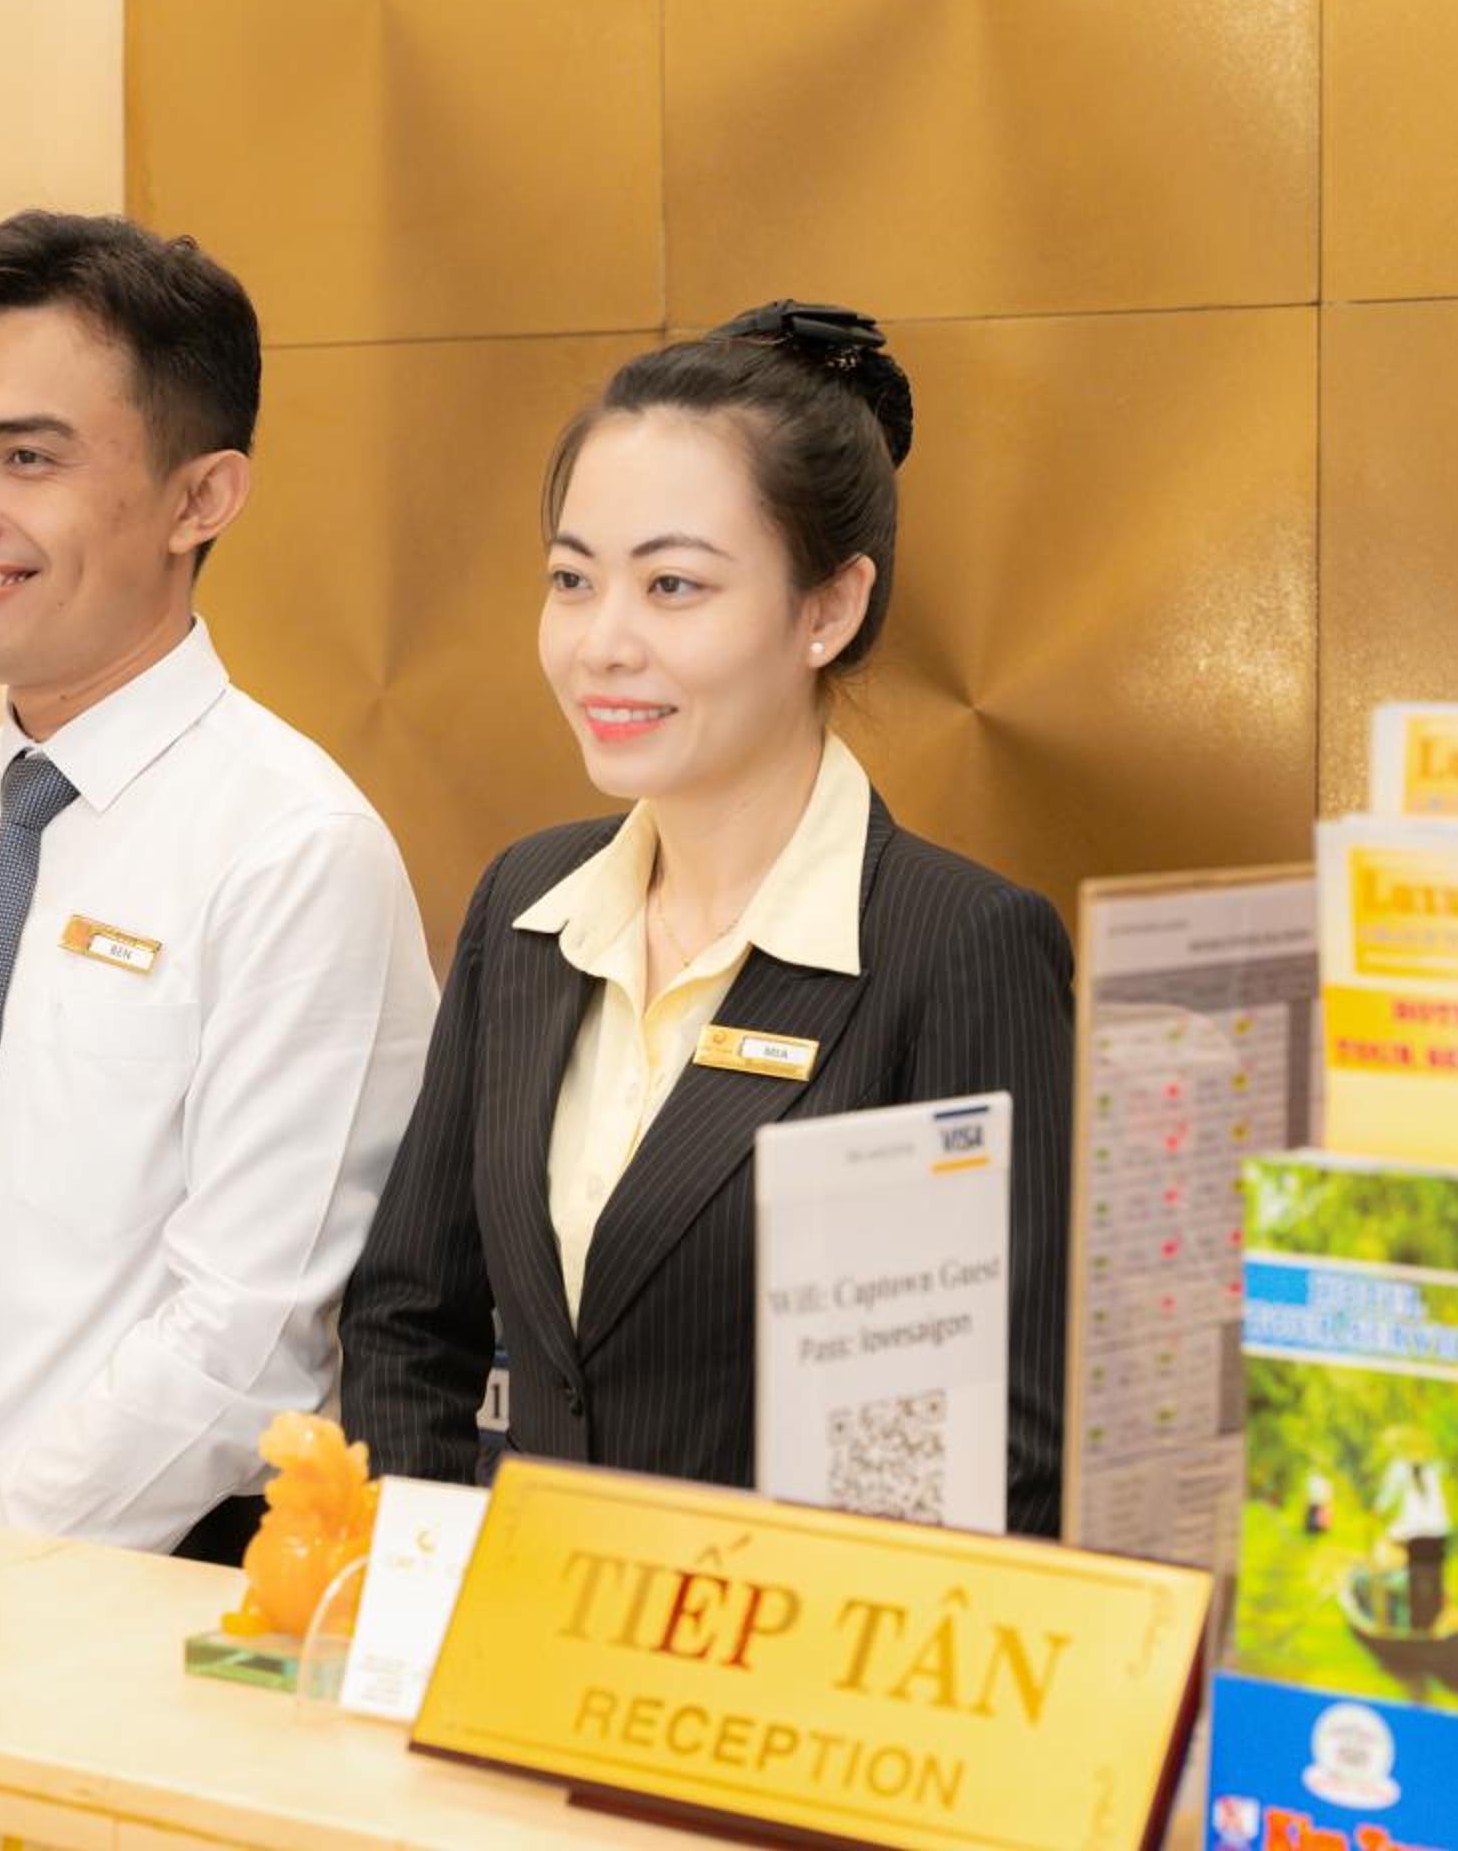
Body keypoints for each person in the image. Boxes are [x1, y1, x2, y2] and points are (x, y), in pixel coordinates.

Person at [0, 211, 436, 1561]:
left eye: (26, 457)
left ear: (200, 499)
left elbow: (245, 1335)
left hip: (114, 1594)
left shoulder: (294, 852)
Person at [338, 299, 1074, 1535]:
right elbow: (408, 1319)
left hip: (783, 1643)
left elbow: (1002, 1446)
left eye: (673, 584)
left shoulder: (957, 945)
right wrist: (431, 1587)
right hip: (510, 1624)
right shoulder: (527, 905)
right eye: (573, 580)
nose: (601, 643)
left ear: (828, 609)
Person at [1373, 1446, 1451, 1632]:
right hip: (1439, 1533)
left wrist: (1377, 1511)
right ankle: (1432, 1625)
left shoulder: (1400, 1468)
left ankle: (1418, 1626)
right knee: (1433, 1579)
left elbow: (1388, 1497)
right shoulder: (1433, 1468)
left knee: (1417, 1580)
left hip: (1419, 1534)